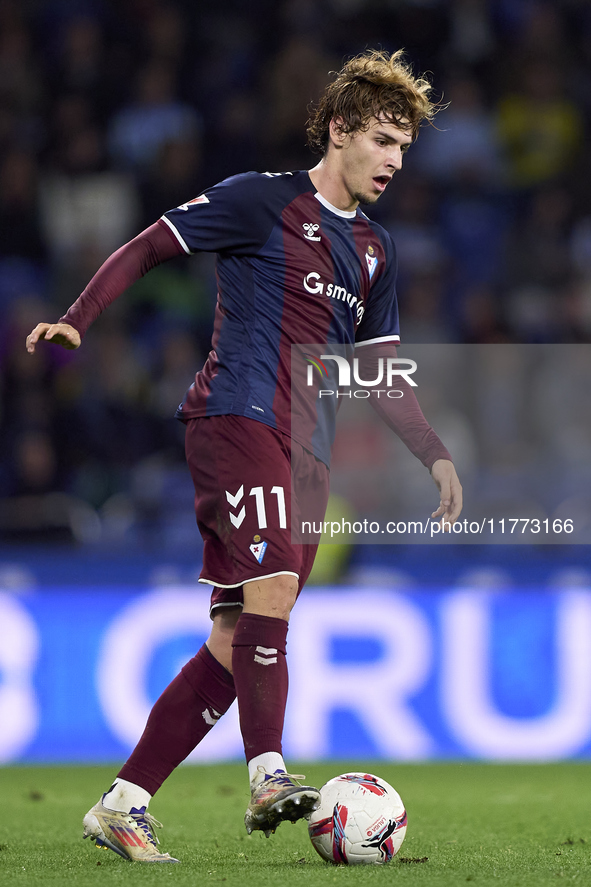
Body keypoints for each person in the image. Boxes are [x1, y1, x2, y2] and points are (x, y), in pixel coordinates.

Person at [26, 49, 463, 864]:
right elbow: (151, 245)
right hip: (236, 416)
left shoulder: (375, 250)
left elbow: (379, 370)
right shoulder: (259, 200)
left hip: (305, 452)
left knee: (237, 639)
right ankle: (267, 771)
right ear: (338, 130)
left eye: (404, 147)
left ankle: (124, 803)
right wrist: (78, 317)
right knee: (272, 593)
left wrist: (432, 452)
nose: (395, 161)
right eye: (381, 140)